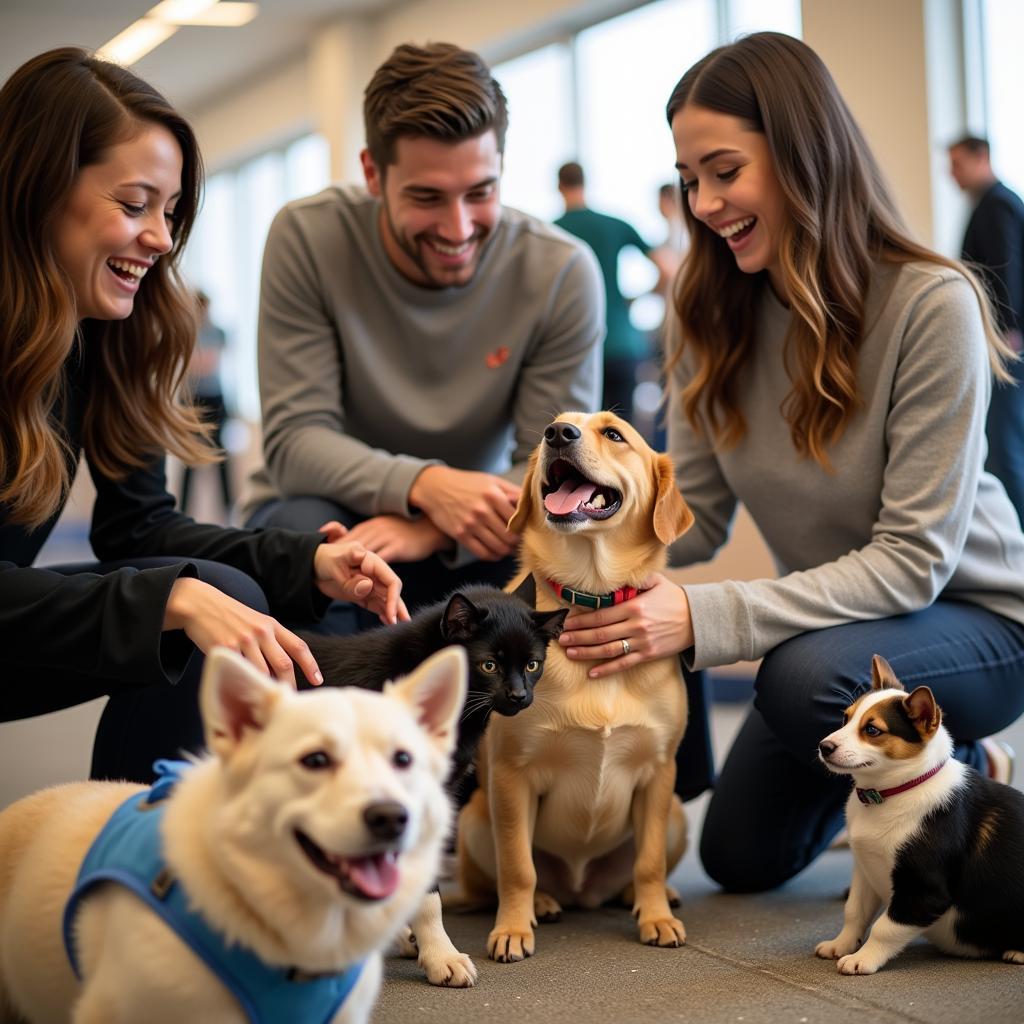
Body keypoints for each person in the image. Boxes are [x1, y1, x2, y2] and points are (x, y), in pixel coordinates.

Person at [554, 32, 1024, 892]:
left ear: (803, 154)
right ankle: (935, 781)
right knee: (740, 859)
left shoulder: (932, 303)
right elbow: (686, 514)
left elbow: (914, 561)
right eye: (691, 179)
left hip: (978, 620)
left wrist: (699, 618)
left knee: (803, 676)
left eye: (725, 171)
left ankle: (960, 765)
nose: (702, 202)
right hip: (842, 635)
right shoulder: (707, 315)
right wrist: (569, 550)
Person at [0, 48, 406, 784]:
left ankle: (149, 866)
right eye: (134, 204)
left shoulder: (99, 339)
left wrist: (307, 562)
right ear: (37, 191)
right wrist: (170, 597)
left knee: (221, 599)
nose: (160, 236)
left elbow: (141, 526)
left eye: (170, 210)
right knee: (187, 599)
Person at [241, 43, 603, 625]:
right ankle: (336, 715)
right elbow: (295, 442)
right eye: (427, 197)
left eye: (480, 193)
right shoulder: (306, 237)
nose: (458, 228)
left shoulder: (560, 271)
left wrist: (428, 527)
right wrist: (425, 484)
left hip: (479, 526)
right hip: (338, 518)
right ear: (372, 174)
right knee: (307, 529)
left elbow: (553, 470)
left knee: (580, 551)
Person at [948, 135, 1024, 524]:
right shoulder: (992, 203)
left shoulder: (997, 206)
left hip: (1006, 346)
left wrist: (1007, 332)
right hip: (1005, 343)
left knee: (1005, 449)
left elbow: (1003, 271)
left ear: (982, 158)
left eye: (957, 164)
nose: (952, 174)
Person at [554, 161, 657, 423]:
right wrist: (634, 299)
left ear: (559, 187)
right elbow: (668, 269)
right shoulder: (615, 224)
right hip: (622, 345)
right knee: (622, 438)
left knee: (582, 443)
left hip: (576, 352)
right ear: (585, 184)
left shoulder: (552, 233)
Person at [179, 289, 232, 517]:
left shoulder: (218, 332)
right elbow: (192, 365)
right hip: (192, 401)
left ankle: (228, 509)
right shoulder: (186, 332)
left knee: (221, 456)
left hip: (215, 400)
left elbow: (208, 364)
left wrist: (199, 362)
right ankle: (183, 510)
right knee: (190, 457)